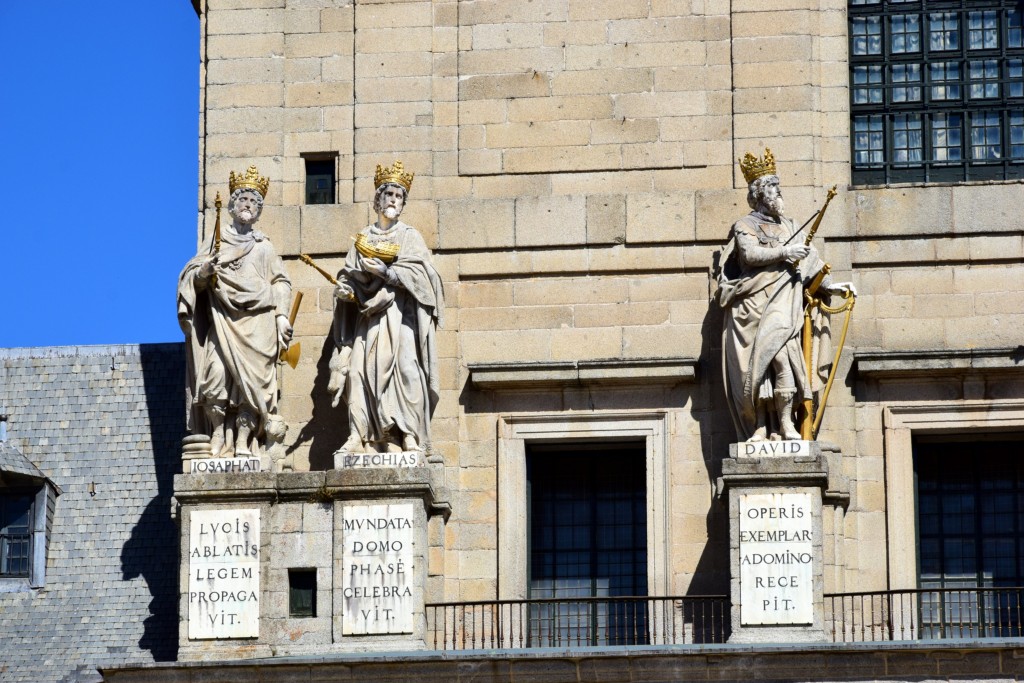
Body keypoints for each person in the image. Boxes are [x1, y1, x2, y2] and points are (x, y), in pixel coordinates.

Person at [715, 149, 854, 442]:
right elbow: (750, 255)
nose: (779, 194)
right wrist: (785, 251)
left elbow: (810, 262)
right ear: (760, 193)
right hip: (752, 306)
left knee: (782, 358)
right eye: (774, 188)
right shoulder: (745, 225)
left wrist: (832, 286)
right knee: (756, 369)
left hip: (783, 304)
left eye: (779, 188)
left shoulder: (790, 226)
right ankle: (760, 427)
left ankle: (786, 425)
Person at [329, 161, 444, 454]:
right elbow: (348, 276)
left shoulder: (409, 236)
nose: (393, 200)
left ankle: (407, 434)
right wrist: (346, 291)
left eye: (399, 196)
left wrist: (388, 274)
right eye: (389, 194)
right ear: (378, 199)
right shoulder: (362, 239)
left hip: (401, 317)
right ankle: (359, 434)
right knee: (357, 373)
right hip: (368, 320)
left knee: (406, 369)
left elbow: (427, 280)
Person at [178, 166, 293, 457]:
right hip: (223, 321)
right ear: (232, 205)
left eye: (254, 202)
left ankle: (243, 440)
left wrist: (281, 317)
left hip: (258, 325)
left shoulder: (264, 247)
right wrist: (203, 273)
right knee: (216, 375)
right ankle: (218, 431)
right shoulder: (217, 241)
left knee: (251, 387)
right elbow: (192, 274)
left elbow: (281, 282)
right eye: (243, 199)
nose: (248, 205)